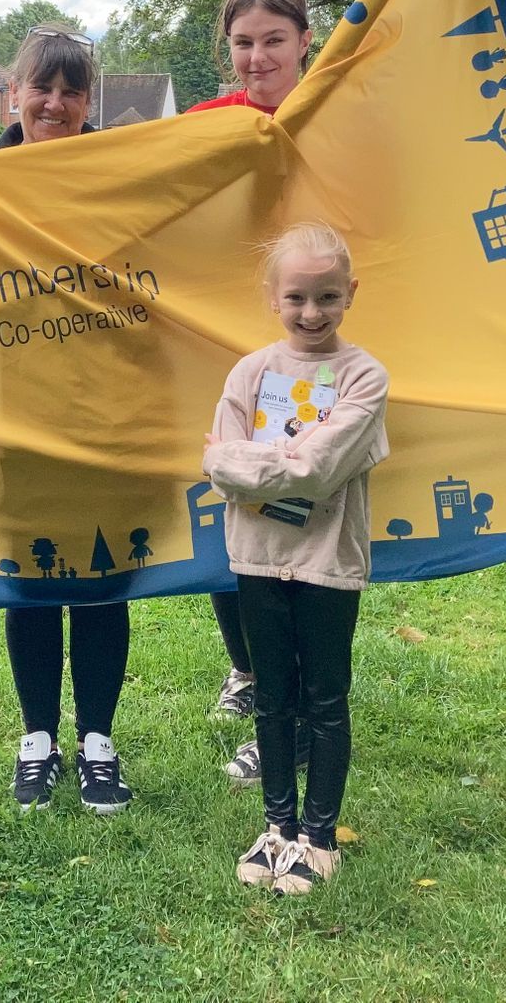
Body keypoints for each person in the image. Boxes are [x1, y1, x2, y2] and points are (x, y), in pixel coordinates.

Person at [0, 24, 135, 815]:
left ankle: (100, 743)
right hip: (10, 411)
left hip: (108, 406)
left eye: (71, 91)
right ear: (15, 94)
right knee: (34, 574)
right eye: (41, 87)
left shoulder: (123, 175)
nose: (54, 103)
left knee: (106, 575)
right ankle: (38, 738)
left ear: (89, 102)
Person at [202, 221, 389, 895]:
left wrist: (252, 463)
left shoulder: (365, 377)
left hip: (326, 562)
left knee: (325, 698)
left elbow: (317, 466)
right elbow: (215, 465)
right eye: (298, 298)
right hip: (257, 557)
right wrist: (260, 464)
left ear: (350, 294)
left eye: (328, 297)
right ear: (273, 298)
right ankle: (276, 827)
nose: (312, 313)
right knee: (272, 698)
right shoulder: (249, 372)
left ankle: (318, 837)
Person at [181, 0, 317, 788]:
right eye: (243, 42)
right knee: (232, 530)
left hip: (311, 362)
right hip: (224, 357)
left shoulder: (338, 117)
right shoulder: (205, 121)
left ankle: (289, 716)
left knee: (296, 539)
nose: (258, 57)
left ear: (307, 43)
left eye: (274, 40)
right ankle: (260, 680)